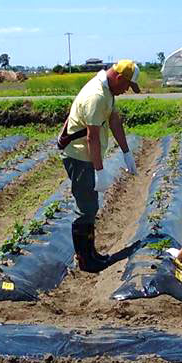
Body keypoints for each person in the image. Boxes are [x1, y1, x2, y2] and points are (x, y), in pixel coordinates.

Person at [58, 59, 141, 272]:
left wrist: (126, 152)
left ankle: (90, 253)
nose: (125, 91)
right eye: (126, 86)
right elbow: (91, 137)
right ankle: (85, 260)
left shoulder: (108, 92)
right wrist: (99, 170)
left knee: (91, 206)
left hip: (87, 156)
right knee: (86, 208)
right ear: (119, 78)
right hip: (80, 157)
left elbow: (114, 121)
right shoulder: (96, 96)